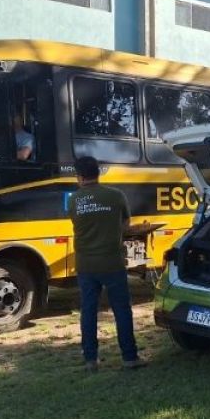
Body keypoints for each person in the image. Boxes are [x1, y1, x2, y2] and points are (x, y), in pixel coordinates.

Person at [67, 156, 144, 372]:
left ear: (79, 176)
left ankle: (91, 359)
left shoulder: (74, 200)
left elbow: (76, 223)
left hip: (86, 265)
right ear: (98, 173)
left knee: (88, 311)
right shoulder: (116, 195)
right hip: (112, 263)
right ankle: (130, 357)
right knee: (122, 310)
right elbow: (126, 225)